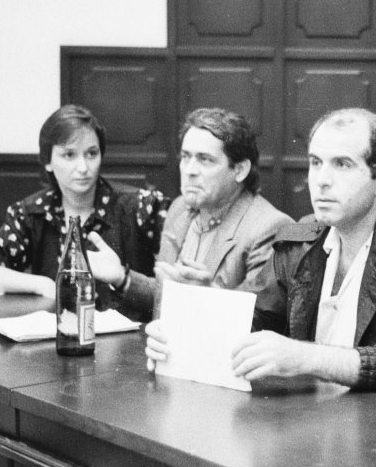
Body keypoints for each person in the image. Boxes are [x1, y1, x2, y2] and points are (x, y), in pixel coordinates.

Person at [146, 108, 376, 405]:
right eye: (316, 163)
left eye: (342, 164)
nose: (321, 180)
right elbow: (256, 320)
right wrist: (187, 331)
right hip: (327, 417)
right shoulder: (301, 240)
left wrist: (304, 357)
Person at [0, 104, 168, 320]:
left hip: (133, 338)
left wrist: (124, 278)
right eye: (69, 155)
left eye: (91, 153)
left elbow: (179, 288)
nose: (83, 167)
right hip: (61, 335)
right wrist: (42, 284)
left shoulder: (142, 206)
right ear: (48, 162)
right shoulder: (32, 212)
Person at [87, 108, 292, 316]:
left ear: (240, 170)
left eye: (205, 159)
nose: (190, 170)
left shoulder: (269, 228)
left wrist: (206, 297)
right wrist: (122, 278)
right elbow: (165, 300)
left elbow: (258, 320)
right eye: (185, 157)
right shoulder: (180, 209)